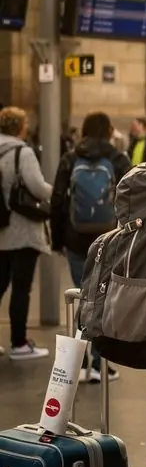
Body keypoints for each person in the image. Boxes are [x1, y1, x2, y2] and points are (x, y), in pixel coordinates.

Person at [51, 112, 131, 382]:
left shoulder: (70, 158)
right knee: (103, 300)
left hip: (76, 239)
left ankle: (79, 363)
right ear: (109, 131)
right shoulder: (118, 159)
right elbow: (131, 198)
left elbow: (57, 200)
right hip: (109, 240)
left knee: (83, 297)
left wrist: (57, 239)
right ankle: (99, 364)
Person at [0, 106, 53, 360]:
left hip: (0, 227)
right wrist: (52, 191)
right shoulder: (23, 152)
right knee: (21, 287)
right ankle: (19, 343)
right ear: (21, 127)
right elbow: (38, 188)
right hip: (22, 229)